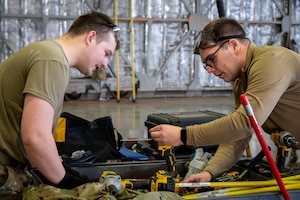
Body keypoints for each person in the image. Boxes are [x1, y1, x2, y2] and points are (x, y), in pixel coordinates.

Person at [150, 17, 300, 183]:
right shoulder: (241, 80)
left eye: (211, 59)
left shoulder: (271, 62)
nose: (209, 70)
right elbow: (239, 135)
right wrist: (209, 172)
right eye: (206, 64)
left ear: (234, 45)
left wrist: (183, 136)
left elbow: (244, 123)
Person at [0, 11, 120, 195]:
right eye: (106, 53)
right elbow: (35, 138)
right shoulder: (52, 60)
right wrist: (66, 181)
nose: (105, 64)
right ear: (91, 37)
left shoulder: (47, 53)